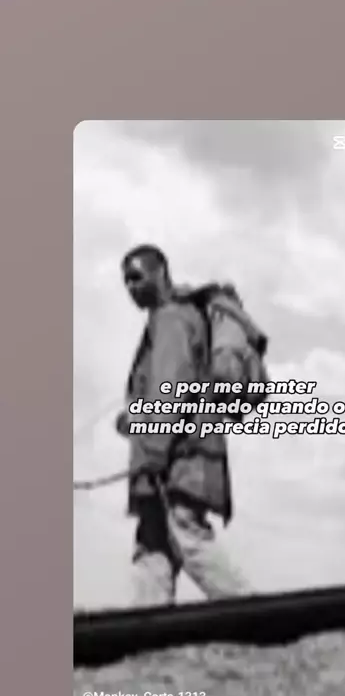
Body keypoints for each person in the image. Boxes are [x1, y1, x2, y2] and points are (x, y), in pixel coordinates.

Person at [116, 244, 251, 607]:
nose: (131, 287)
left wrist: (153, 449)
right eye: (125, 281)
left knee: (188, 537)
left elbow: (171, 390)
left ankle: (256, 616)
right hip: (168, 464)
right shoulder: (170, 320)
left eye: (136, 276)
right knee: (152, 549)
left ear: (161, 273)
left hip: (179, 461)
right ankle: (146, 628)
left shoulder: (171, 319)